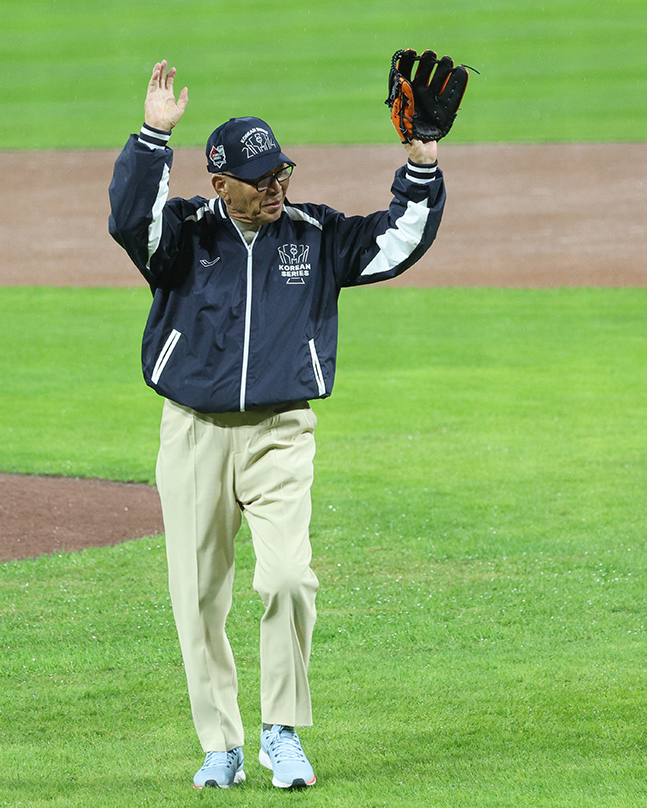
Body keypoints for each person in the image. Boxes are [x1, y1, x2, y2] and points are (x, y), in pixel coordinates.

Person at [108, 59, 445, 790]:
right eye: (258, 179)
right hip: (193, 433)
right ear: (220, 182)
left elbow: (396, 241)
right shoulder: (183, 236)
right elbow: (130, 221)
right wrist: (151, 137)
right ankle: (220, 744)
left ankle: (279, 732)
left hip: (281, 434)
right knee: (198, 596)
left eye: (280, 173)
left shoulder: (313, 235)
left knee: (290, 578)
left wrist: (421, 160)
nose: (274, 188)